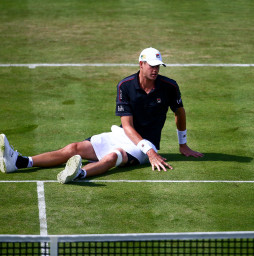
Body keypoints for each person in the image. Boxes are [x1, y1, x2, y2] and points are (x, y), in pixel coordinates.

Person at [0, 47, 203, 184]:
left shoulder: (169, 87)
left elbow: (180, 112)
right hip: (126, 135)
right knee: (73, 148)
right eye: (151, 65)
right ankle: (19, 162)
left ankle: (80, 174)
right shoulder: (125, 86)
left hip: (144, 146)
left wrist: (182, 144)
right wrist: (150, 153)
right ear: (141, 64)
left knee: (112, 157)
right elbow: (128, 126)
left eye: (158, 66)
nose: (155, 69)